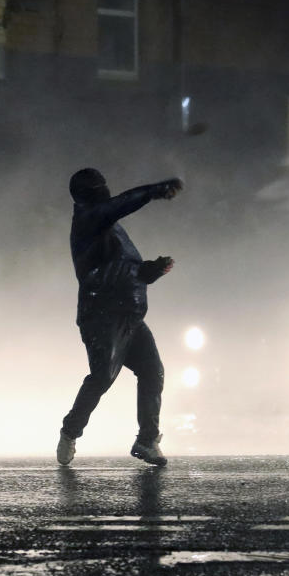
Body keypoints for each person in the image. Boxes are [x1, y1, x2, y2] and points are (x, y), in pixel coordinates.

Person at [57, 168, 183, 467]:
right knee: (102, 377)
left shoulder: (110, 227)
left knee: (153, 371)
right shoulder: (89, 220)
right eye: (98, 188)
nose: (104, 192)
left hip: (130, 316)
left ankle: (146, 439)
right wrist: (153, 190)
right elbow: (105, 275)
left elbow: (124, 270)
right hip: (102, 317)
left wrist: (148, 271)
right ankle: (70, 431)